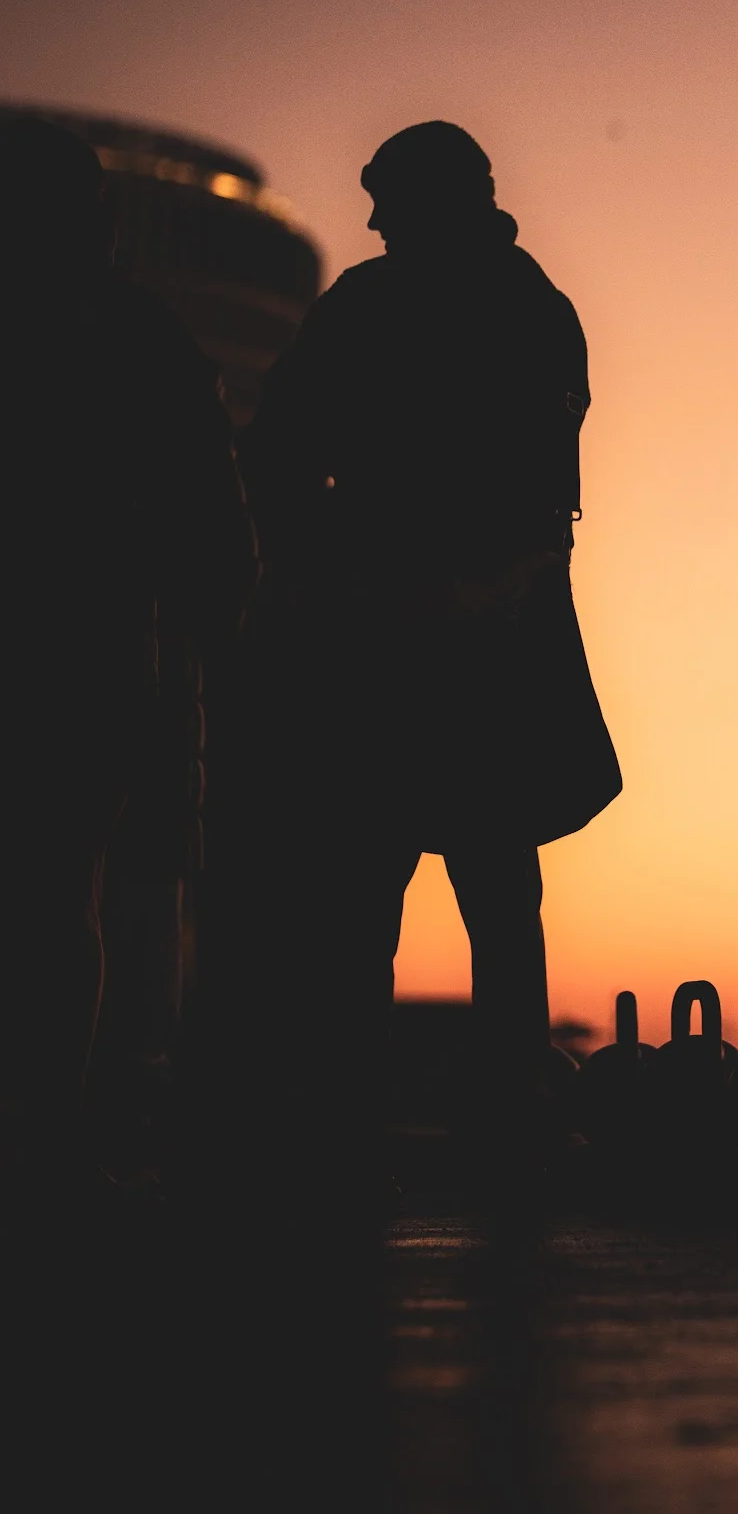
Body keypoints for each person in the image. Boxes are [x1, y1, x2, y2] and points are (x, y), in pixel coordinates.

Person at [232, 120, 620, 1181]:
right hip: (450, 634)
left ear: (436, 201)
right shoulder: (526, 312)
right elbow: (547, 493)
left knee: (395, 886)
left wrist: (324, 565)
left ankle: (376, 1115)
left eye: (387, 201)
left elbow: (275, 454)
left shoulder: (390, 306)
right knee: (457, 887)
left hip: (416, 637)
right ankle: (494, 1113)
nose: (370, 221)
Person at [0, 114, 256, 1197]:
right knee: (61, 902)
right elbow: (208, 509)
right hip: (89, 652)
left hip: (70, 648)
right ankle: (44, 1135)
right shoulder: (137, 333)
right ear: (95, 217)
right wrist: (221, 611)